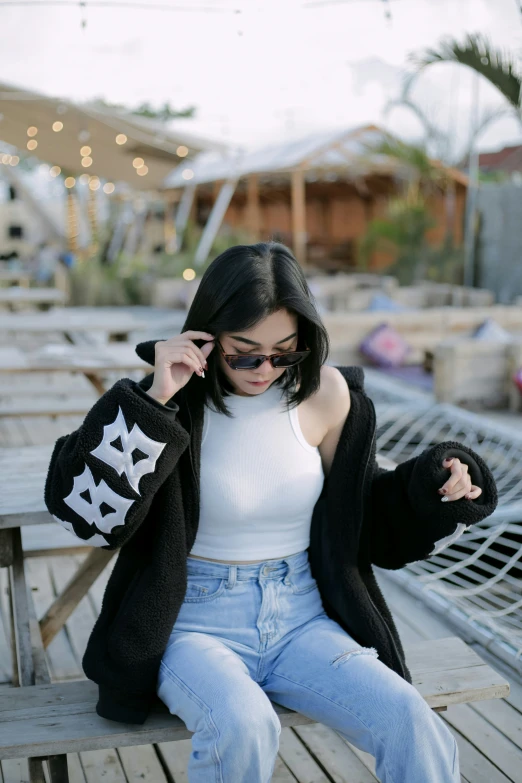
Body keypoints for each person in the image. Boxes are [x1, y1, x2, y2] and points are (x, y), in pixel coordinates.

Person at [44, 242, 498, 783]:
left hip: (301, 616)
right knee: (244, 724)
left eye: (286, 352)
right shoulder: (172, 400)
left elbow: (364, 512)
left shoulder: (327, 394)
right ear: (209, 334)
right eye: (245, 353)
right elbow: (85, 514)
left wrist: (435, 483)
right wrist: (156, 397)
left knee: (411, 723)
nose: (265, 368)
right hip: (192, 622)